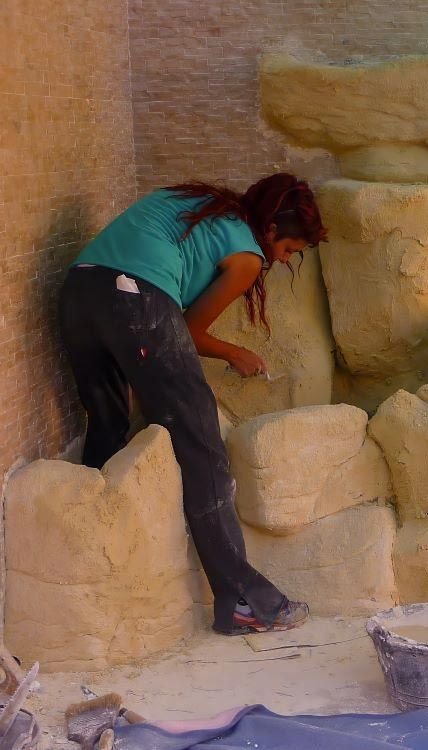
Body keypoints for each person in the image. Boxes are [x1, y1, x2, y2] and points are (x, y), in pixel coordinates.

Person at [58, 173, 328, 635]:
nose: (283, 260)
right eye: (288, 250)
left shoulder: (199, 203)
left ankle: (89, 568)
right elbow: (186, 329)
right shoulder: (246, 256)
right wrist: (234, 353)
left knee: (108, 423)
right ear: (270, 229)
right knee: (202, 445)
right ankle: (244, 601)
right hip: (136, 300)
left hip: (78, 292)